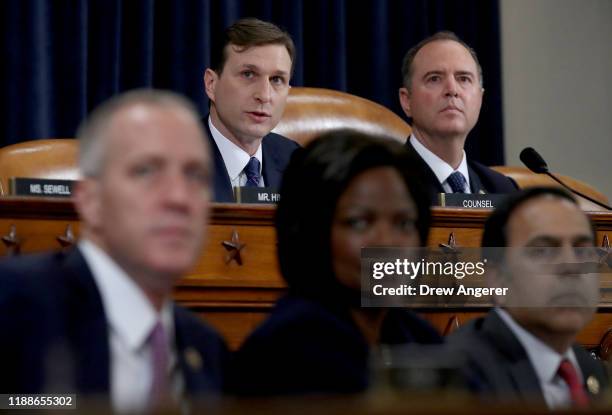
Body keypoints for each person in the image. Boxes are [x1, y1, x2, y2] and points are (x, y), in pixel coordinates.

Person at [0, 90, 229, 413]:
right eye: (146, 171)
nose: (179, 197)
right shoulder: (12, 306)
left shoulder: (206, 350)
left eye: (196, 175)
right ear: (90, 200)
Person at [229, 130, 442, 396]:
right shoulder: (283, 353)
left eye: (404, 223)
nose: (388, 242)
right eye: (360, 222)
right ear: (311, 234)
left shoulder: (421, 340)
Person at [448, 187, 607, 408]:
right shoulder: (460, 374)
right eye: (543, 251)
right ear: (497, 279)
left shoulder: (589, 368)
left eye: (582, 251)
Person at [398, 31, 517, 198]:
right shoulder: (384, 182)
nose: (452, 90)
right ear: (407, 101)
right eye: (434, 79)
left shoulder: (502, 189)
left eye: (463, 79)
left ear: (480, 99)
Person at [203, 18, 300, 202]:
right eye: (248, 74)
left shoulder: (298, 165)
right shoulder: (174, 163)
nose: (264, 95)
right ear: (211, 84)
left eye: (277, 79)